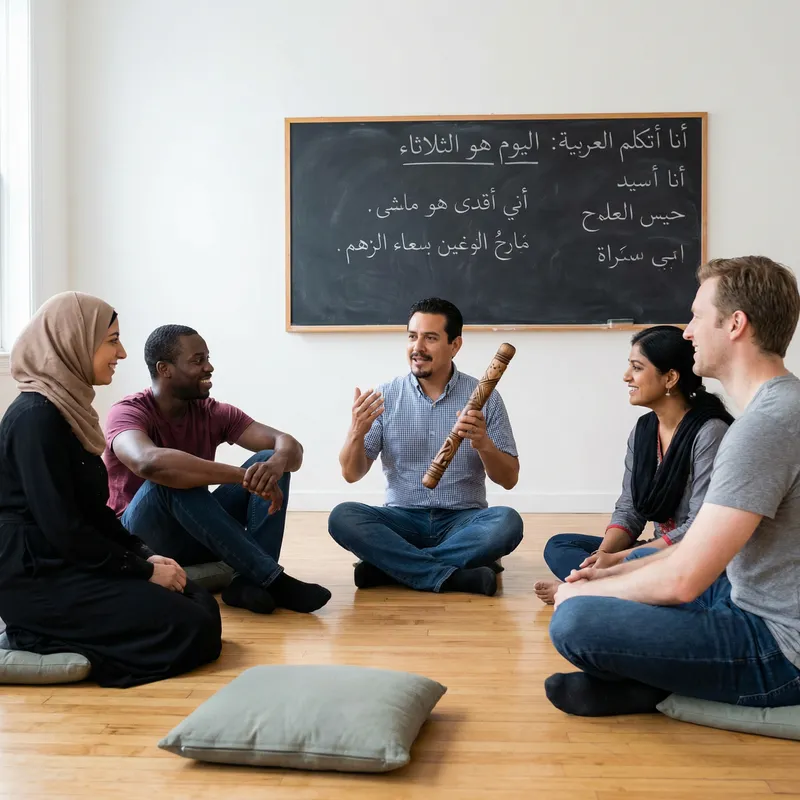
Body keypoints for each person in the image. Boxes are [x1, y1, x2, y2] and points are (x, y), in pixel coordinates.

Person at [545, 255, 800, 716]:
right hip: (742, 595)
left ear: (736, 324)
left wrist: (582, 592)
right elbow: (689, 553)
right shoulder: (780, 408)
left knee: (575, 619)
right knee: (604, 582)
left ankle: (657, 688)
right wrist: (610, 571)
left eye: (698, 316)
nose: (687, 331)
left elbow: (684, 580)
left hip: (780, 647)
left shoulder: (762, 427)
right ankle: (651, 681)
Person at [0, 293, 221, 688]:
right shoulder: (36, 419)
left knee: (198, 601)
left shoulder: (66, 412)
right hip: (38, 577)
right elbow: (64, 528)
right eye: (112, 340)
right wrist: (143, 572)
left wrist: (146, 554)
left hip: (68, 561)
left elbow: (94, 512)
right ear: (74, 341)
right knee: (192, 626)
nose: (120, 352)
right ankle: (34, 636)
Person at [103, 324, 330, 615]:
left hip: (192, 530)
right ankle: (272, 578)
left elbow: (290, 448)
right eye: (197, 361)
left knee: (270, 459)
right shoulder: (128, 412)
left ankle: (249, 582)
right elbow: (147, 461)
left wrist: (275, 463)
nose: (209, 367)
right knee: (168, 480)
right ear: (165, 369)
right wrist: (241, 475)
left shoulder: (212, 412)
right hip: (141, 540)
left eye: (207, 358)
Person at [328, 298, 523, 596]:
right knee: (342, 516)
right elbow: (351, 474)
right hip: (401, 520)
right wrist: (356, 432)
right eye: (412, 336)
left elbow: (509, 479)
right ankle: (455, 575)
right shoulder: (385, 396)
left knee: (507, 522)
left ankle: (392, 568)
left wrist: (483, 444)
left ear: (455, 345)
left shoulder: (487, 399)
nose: (417, 347)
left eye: (430, 338)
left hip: (462, 520)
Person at [534, 325, 733, 604]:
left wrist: (619, 559)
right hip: (655, 552)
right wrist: (602, 557)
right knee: (559, 546)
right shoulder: (643, 431)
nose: (626, 376)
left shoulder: (710, 432)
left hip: (692, 555)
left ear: (670, 377)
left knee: (640, 558)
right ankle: (605, 585)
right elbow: (630, 508)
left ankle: (590, 588)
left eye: (637, 368)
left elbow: (698, 529)